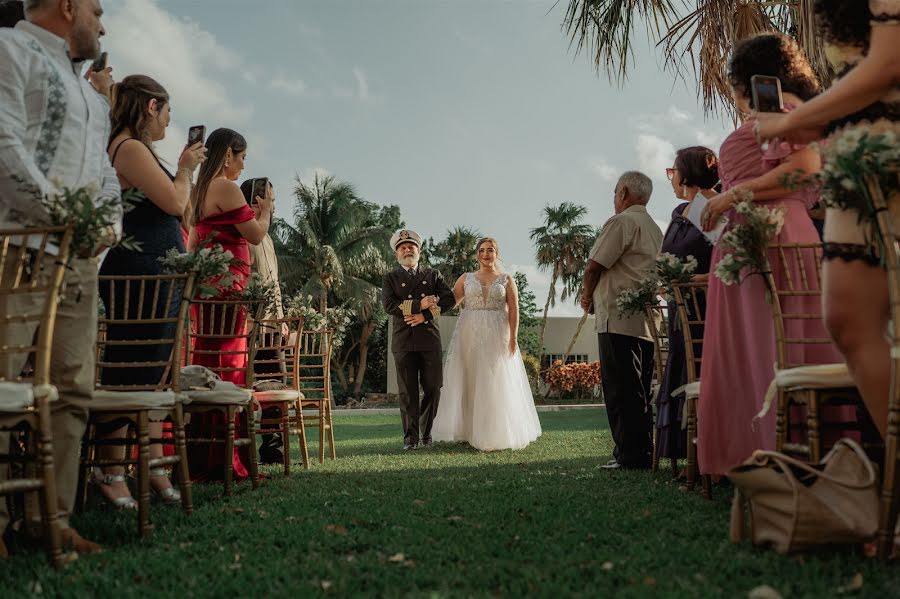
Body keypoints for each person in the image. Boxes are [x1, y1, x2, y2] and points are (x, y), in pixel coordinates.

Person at [0, 0, 118, 557]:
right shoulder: (9, 50)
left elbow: (107, 177)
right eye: (97, 9)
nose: (102, 22)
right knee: (1, 382)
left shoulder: (95, 100)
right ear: (68, 5)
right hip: (16, 249)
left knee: (72, 388)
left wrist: (107, 228)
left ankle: (51, 518)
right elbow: (3, 144)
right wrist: (62, 212)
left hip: (78, 263)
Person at [697, 33, 842, 475]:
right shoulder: (777, 112)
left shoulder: (785, 111)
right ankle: (754, 452)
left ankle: (788, 453)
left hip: (775, 239)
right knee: (753, 347)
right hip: (749, 240)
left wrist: (732, 195)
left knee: (777, 344)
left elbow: (804, 171)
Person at [755, 0, 900, 440]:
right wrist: (814, 123)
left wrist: (797, 119)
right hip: (855, 162)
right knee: (846, 319)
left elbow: (888, 63)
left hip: (887, 156)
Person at [91, 74, 206, 509]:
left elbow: (185, 211)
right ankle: (111, 470)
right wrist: (184, 170)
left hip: (159, 277)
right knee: (132, 367)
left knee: (156, 372)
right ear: (151, 106)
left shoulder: (144, 150)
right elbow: (176, 204)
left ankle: (154, 466)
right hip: (137, 278)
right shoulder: (128, 147)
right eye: (168, 111)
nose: (170, 120)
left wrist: (182, 176)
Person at [186, 127, 272, 481]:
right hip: (226, 294)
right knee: (229, 371)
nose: (243, 164)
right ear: (228, 156)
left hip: (208, 292)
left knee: (207, 368)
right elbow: (254, 234)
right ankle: (225, 461)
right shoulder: (224, 187)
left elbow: (192, 244)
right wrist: (265, 211)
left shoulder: (198, 190)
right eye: (242, 157)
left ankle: (202, 457)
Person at [580, 171, 663, 470]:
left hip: (617, 317)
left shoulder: (622, 222)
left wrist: (586, 298)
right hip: (647, 323)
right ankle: (642, 452)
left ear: (624, 192)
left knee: (620, 390)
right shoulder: (655, 228)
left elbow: (594, 266)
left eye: (615, 192)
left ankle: (630, 456)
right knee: (639, 390)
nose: (614, 198)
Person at [432, 238, 542, 451]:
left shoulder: (507, 279)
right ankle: (468, 430)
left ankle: (494, 432)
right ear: (477, 255)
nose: (485, 254)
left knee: (494, 380)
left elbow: (514, 309)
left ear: (496, 253)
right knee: (469, 378)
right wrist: (426, 312)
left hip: (497, 333)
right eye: (481, 250)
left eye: (490, 250)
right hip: (468, 335)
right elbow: (449, 302)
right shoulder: (466, 278)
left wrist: (513, 338)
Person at [655, 147, 716, 467]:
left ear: (687, 173)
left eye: (673, 171)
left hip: (709, 306)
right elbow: (666, 254)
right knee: (681, 365)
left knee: (705, 368)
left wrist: (698, 279)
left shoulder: (716, 207)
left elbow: (726, 257)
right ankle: (683, 450)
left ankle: (711, 449)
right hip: (679, 306)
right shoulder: (680, 211)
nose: (671, 177)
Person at [381, 230, 455, 450]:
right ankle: (411, 438)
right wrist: (418, 305)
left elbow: (449, 299)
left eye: (411, 246)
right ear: (397, 254)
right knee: (407, 392)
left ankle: (427, 432)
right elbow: (389, 306)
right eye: (402, 247)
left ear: (419, 251)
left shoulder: (433, 275)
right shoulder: (390, 278)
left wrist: (426, 314)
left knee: (434, 387)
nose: (407, 250)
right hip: (403, 341)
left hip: (429, 338)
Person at [239, 177, 287, 464]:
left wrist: (281, 320)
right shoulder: (247, 233)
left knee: (277, 384)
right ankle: (241, 450)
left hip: (272, 327)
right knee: (247, 386)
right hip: (250, 327)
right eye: (269, 197)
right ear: (256, 200)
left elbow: (275, 282)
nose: (273, 202)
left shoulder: (266, 237)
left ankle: (272, 449)